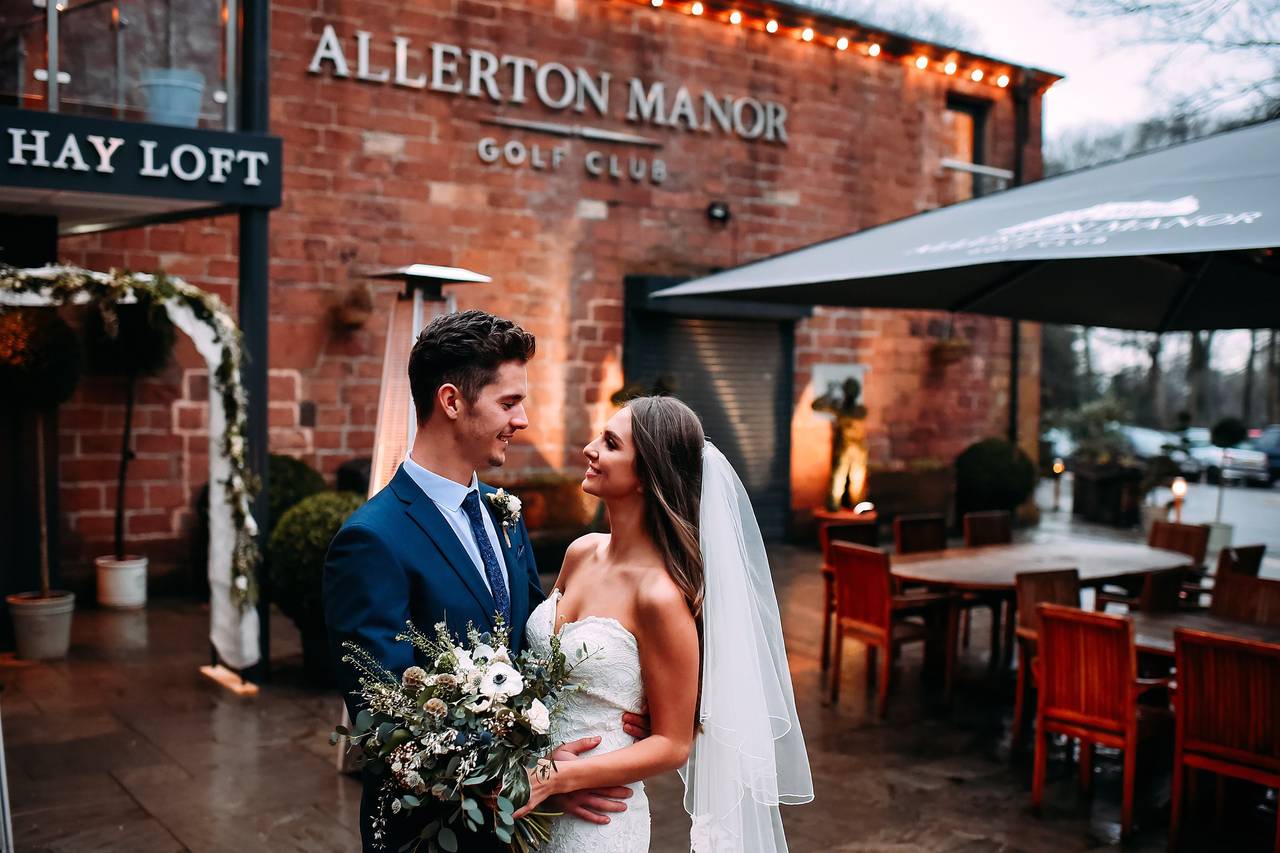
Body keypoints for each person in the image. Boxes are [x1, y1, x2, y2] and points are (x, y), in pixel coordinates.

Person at [323, 310, 647, 853]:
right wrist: (532, 776)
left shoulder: (503, 514)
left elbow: (538, 640)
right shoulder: (371, 540)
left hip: (524, 829)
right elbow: (383, 715)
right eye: (509, 402)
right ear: (452, 402)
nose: (522, 420)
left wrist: (620, 696)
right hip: (429, 832)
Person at [520, 395, 813, 852]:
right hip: (532, 800)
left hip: (596, 817)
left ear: (647, 476)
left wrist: (557, 777)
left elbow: (673, 744)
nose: (590, 449)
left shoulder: (658, 595)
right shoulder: (580, 552)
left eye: (611, 444)